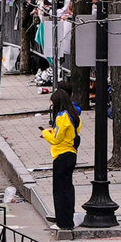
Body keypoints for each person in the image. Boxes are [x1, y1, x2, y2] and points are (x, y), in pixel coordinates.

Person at [42, 89, 80, 233]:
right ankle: (68, 219)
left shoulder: (61, 117)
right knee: (68, 188)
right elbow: (68, 133)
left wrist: (46, 133)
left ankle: (62, 221)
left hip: (61, 155)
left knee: (59, 190)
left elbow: (56, 139)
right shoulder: (73, 115)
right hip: (71, 153)